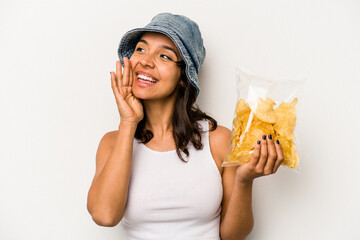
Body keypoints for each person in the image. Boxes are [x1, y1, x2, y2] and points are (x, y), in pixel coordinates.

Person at [87, 12, 284, 240]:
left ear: (184, 76)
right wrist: (129, 123)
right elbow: (104, 216)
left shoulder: (218, 140)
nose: (145, 61)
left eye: (164, 56)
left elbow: (234, 235)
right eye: (140, 49)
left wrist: (244, 180)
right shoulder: (112, 142)